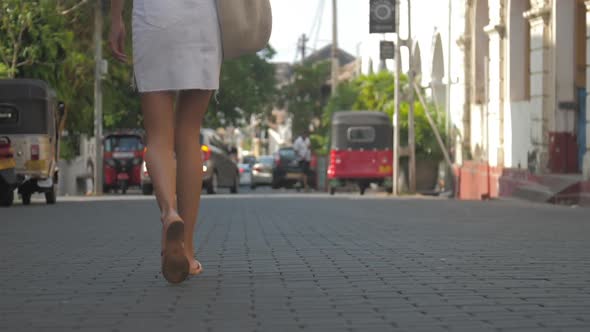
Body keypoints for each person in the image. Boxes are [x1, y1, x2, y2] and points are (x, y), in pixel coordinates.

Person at [109, 0, 222, 283]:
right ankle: (187, 251)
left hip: (155, 19)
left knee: (159, 136)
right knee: (188, 134)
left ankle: (169, 212)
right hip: (202, 22)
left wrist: (116, 19)